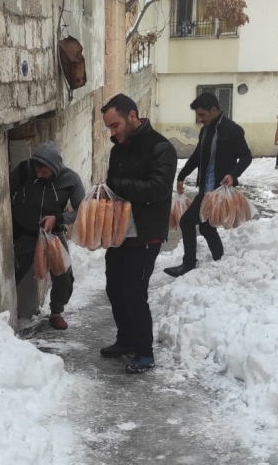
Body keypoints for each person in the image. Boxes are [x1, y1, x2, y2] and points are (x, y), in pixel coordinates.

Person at [100, 94, 177, 374]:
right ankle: (125, 340)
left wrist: (118, 185)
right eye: (109, 127)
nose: (113, 132)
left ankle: (144, 352)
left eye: (115, 125)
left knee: (134, 291)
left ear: (132, 116)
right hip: (121, 232)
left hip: (146, 234)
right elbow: (113, 186)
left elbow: (158, 189)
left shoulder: (160, 147)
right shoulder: (118, 148)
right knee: (114, 288)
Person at [164, 93, 252, 278]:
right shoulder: (205, 130)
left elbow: (246, 156)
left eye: (202, 114)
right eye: (198, 115)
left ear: (214, 110)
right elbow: (198, 155)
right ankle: (219, 260)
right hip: (205, 188)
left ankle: (189, 264)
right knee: (206, 227)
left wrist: (233, 174)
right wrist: (182, 175)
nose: (199, 118)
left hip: (219, 189)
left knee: (188, 222)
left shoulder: (232, 129)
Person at [10, 141, 85, 330]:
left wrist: (59, 218)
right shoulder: (24, 171)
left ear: (54, 168)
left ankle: (56, 311)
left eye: (43, 172)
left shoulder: (71, 180)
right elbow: (6, 196)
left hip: (53, 233)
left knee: (63, 274)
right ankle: (5, 317)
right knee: (14, 270)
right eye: (36, 170)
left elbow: (81, 210)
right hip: (25, 233)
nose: (38, 175)